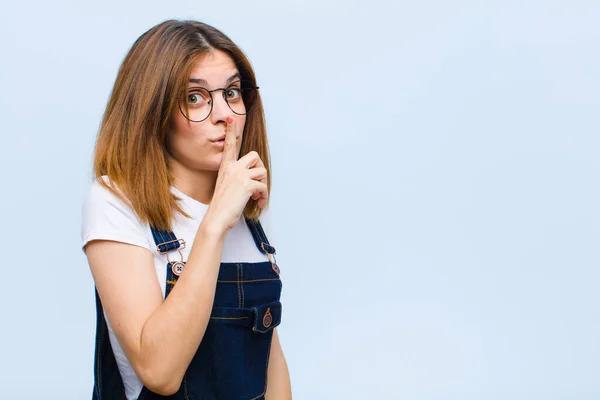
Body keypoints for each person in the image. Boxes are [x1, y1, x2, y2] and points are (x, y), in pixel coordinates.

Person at [81, 19, 292, 399]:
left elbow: (268, 360)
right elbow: (159, 372)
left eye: (232, 92)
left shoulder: (248, 206)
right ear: (152, 111)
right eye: (194, 97)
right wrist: (214, 225)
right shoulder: (114, 201)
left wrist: (231, 208)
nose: (224, 115)